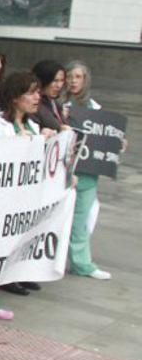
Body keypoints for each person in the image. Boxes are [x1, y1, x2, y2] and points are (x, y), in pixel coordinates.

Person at [0, 70, 50, 300]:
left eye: (38, 92)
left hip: (21, 195)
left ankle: (13, 273)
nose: (37, 97)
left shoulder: (33, 126)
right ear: (16, 96)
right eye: (31, 93)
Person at [64, 61, 116, 280]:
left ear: (85, 80)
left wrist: (117, 142)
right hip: (63, 169)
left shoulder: (94, 108)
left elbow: (105, 135)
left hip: (86, 172)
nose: (73, 81)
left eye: (78, 77)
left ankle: (81, 263)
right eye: (70, 76)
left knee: (81, 219)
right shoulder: (58, 105)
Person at [31, 59, 68, 132]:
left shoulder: (56, 104)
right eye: (55, 81)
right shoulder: (33, 105)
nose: (59, 85)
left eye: (62, 80)